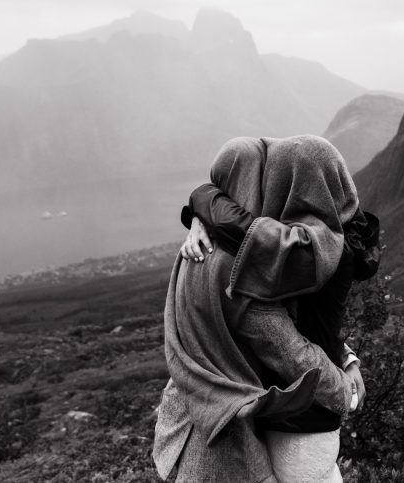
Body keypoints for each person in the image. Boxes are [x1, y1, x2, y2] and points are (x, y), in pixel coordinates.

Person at [153, 135, 376, 482]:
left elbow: (306, 317)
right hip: (227, 429)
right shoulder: (247, 264)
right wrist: (341, 391)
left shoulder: (195, 249)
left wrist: (201, 205)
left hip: (189, 409)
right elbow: (281, 342)